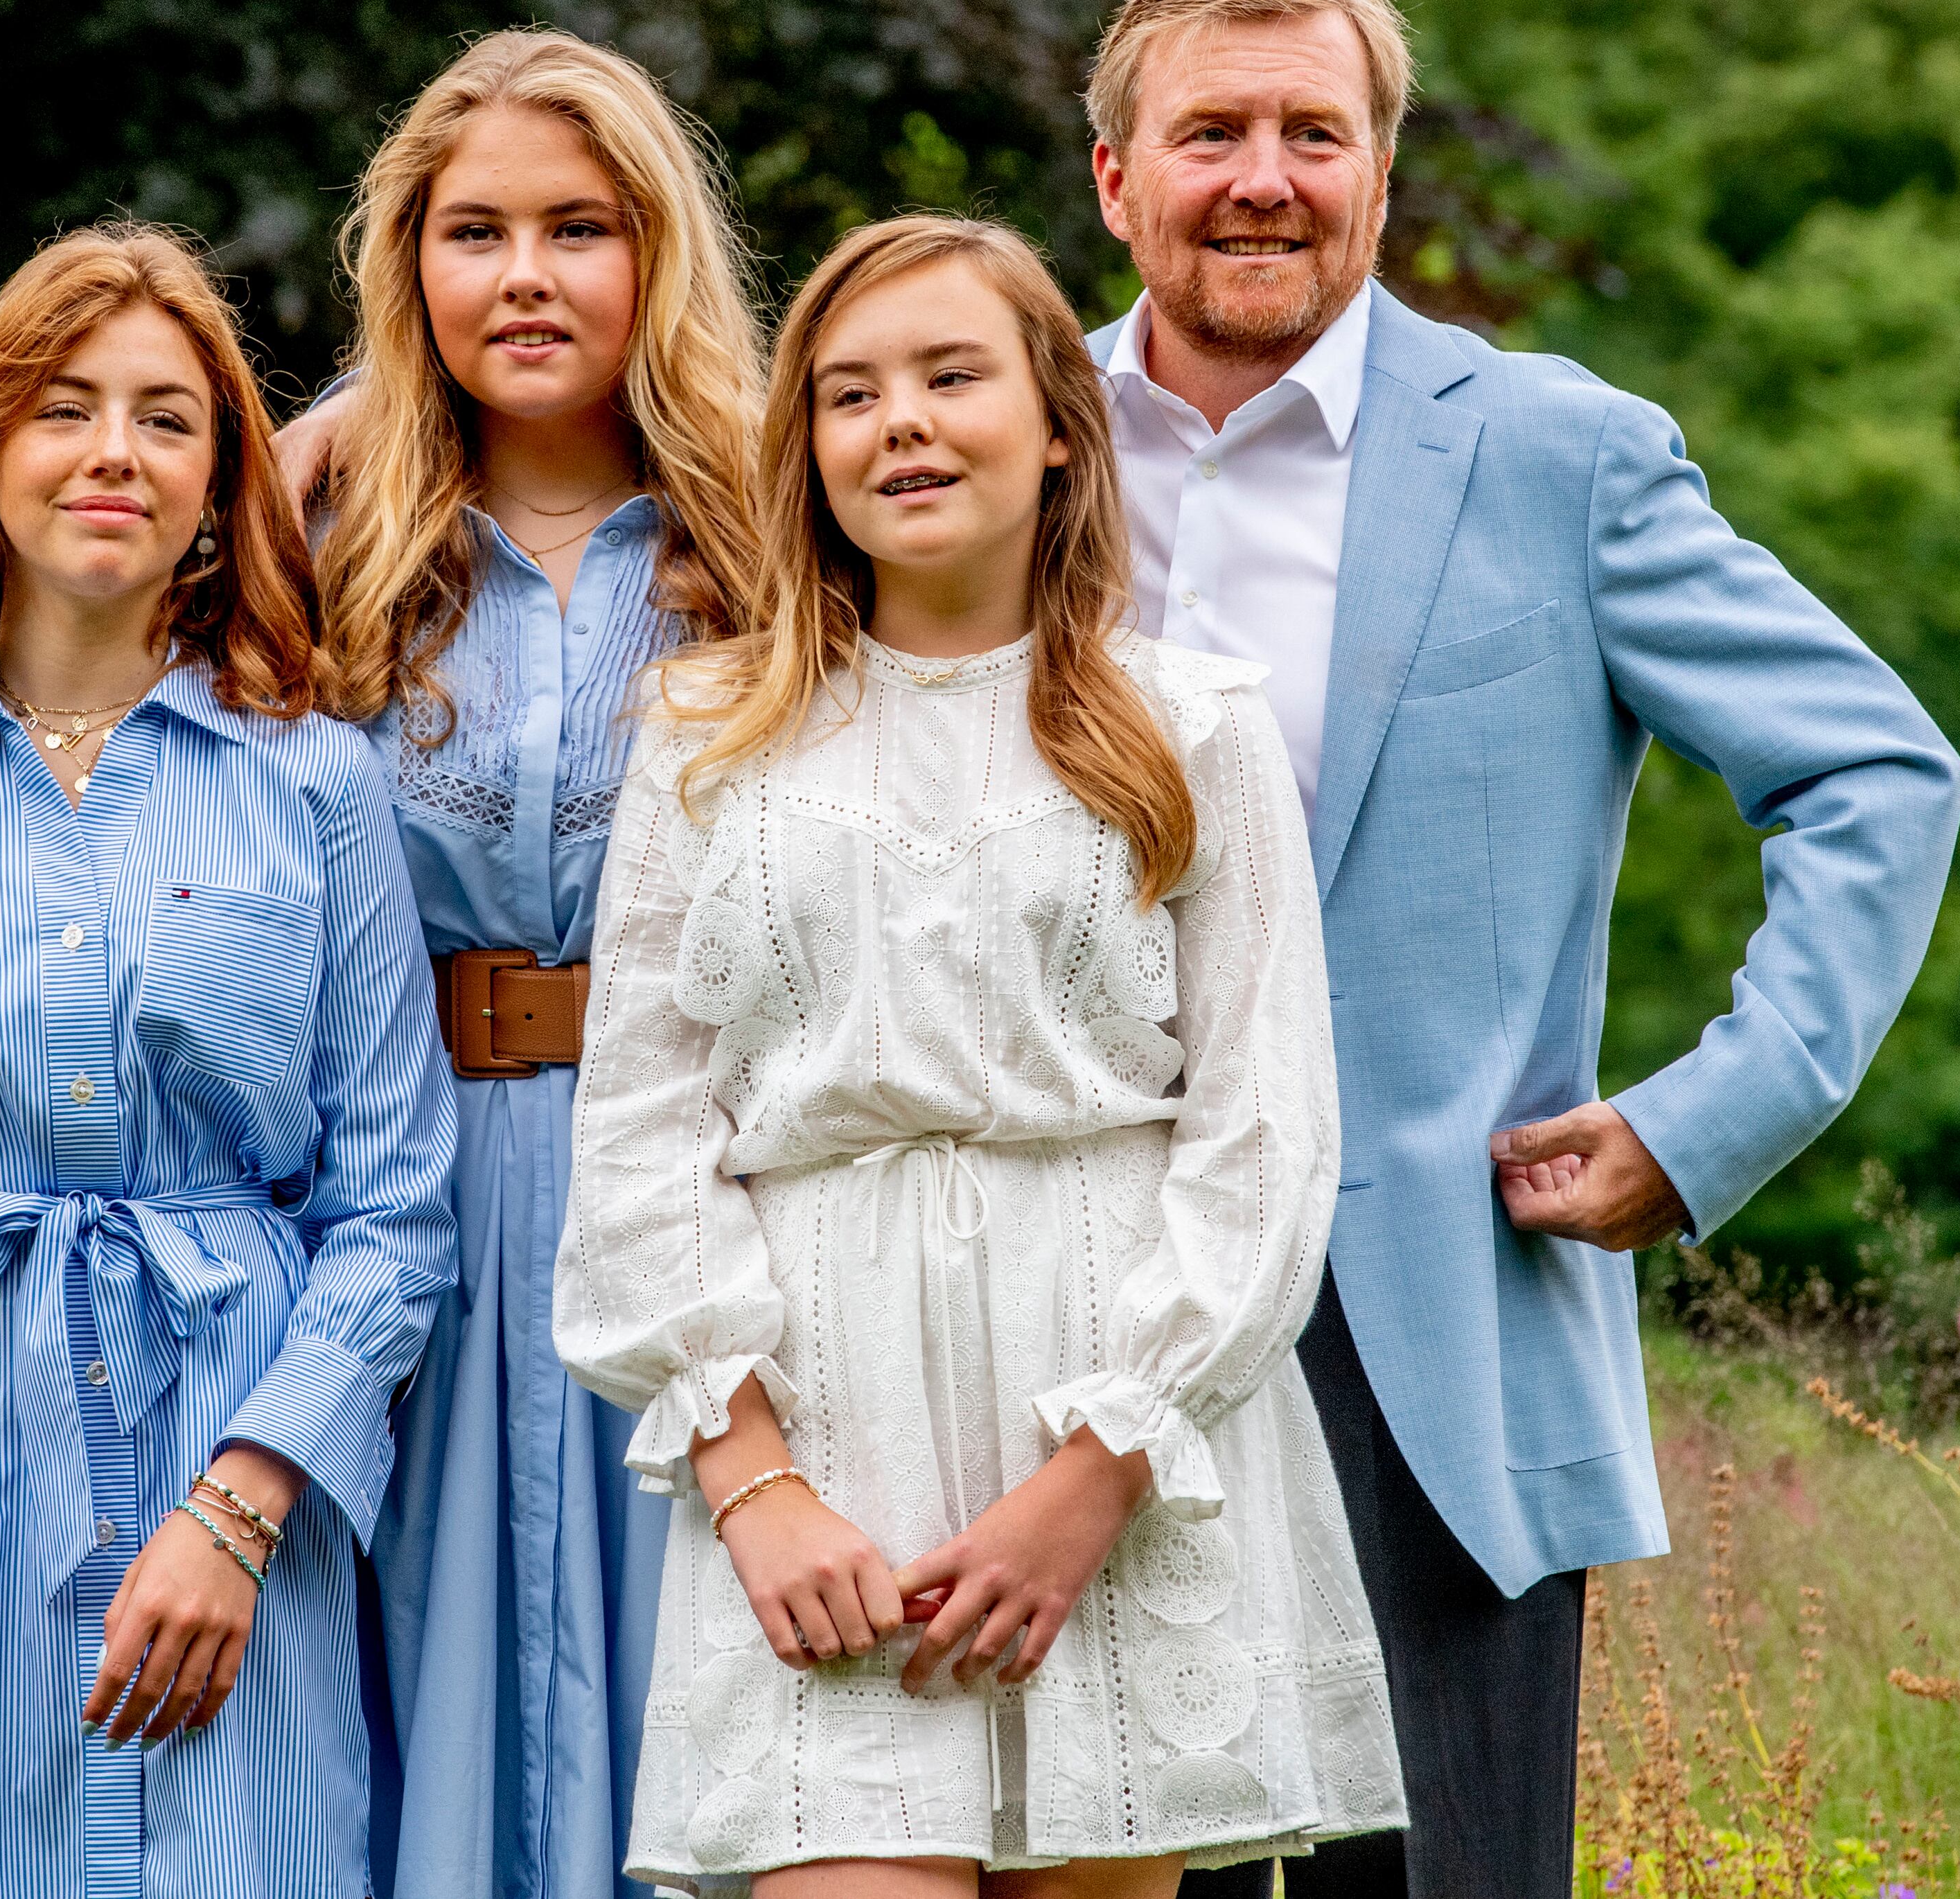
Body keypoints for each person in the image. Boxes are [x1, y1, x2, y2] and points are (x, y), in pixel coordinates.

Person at [1076, 0, 1960, 1899]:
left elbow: (1878, 775)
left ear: (1382, 171)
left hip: (1437, 1346)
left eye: (1318, 129)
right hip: (1059, 1323)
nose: (1266, 175)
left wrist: (1704, 1118)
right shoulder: (997, 441)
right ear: (1117, 177)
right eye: (1210, 128)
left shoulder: (1562, 457)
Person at [557, 215, 1406, 1896]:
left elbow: (1261, 1138)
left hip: (1098, 1431)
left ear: (1060, 424)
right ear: (806, 449)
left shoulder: (1193, 734)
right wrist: (755, 1485)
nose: (903, 424)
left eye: (952, 376)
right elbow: (643, 1130)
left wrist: (1098, 1471)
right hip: (825, 1435)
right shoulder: (708, 741)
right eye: (851, 393)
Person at [0, 222, 458, 1895]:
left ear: (224, 479)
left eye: (167, 417)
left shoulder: (316, 785)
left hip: (239, 1437)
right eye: (66, 408)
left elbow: (397, 1212)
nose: (114, 453)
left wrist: (243, 1508)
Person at [315, 30, 767, 1899]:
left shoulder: (778, 537)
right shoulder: (324, 541)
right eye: (473, 229)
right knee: (419, 1690)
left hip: (714, 1191)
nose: (524, 275)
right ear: (409, 266)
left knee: (702, 1690)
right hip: (410, 1191)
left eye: (578, 228)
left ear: (654, 256)